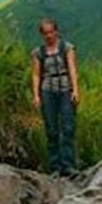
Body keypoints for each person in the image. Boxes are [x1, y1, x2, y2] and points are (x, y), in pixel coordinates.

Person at [31, 18, 80, 178]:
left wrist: (75, 90)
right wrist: (36, 95)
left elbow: (72, 68)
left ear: (56, 31)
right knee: (51, 130)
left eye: (51, 32)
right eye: (45, 33)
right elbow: (36, 74)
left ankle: (68, 165)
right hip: (47, 90)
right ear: (42, 34)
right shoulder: (38, 53)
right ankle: (55, 167)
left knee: (67, 127)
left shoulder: (67, 47)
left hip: (65, 88)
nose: (49, 35)